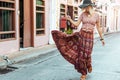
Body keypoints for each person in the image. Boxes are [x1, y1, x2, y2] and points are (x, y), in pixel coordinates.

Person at [51, 0, 105, 80]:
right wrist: (69, 19)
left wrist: (102, 38)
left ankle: (89, 65)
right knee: (82, 55)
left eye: (85, 7)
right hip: (82, 35)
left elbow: (98, 28)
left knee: (88, 53)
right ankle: (83, 73)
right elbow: (76, 24)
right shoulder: (82, 14)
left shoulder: (96, 15)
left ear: (89, 6)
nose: (84, 9)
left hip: (90, 37)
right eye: (83, 7)